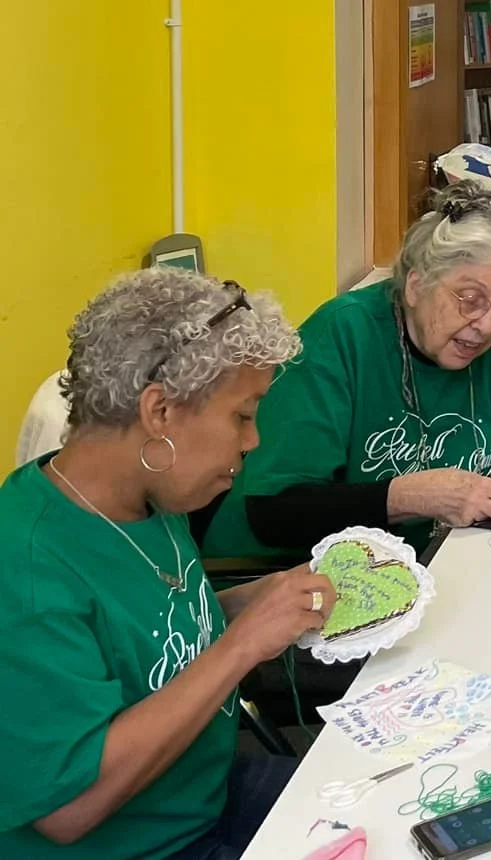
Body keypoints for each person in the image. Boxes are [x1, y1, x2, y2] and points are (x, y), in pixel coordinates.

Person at [0, 269, 330, 858]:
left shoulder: (148, 492)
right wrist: (243, 646)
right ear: (160, 414)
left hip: (202, 792)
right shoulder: (26, 571)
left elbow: (152, 633)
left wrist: (249, 603)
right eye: (243, 415)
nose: (252, 442)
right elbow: (67, 810)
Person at [203, 182, 491, 558]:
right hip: (279, 576)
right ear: (415, 285)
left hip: (423, 565)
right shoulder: (342, 335)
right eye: (469, 299)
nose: (487, 325)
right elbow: (272, 511)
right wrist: (411, 496)